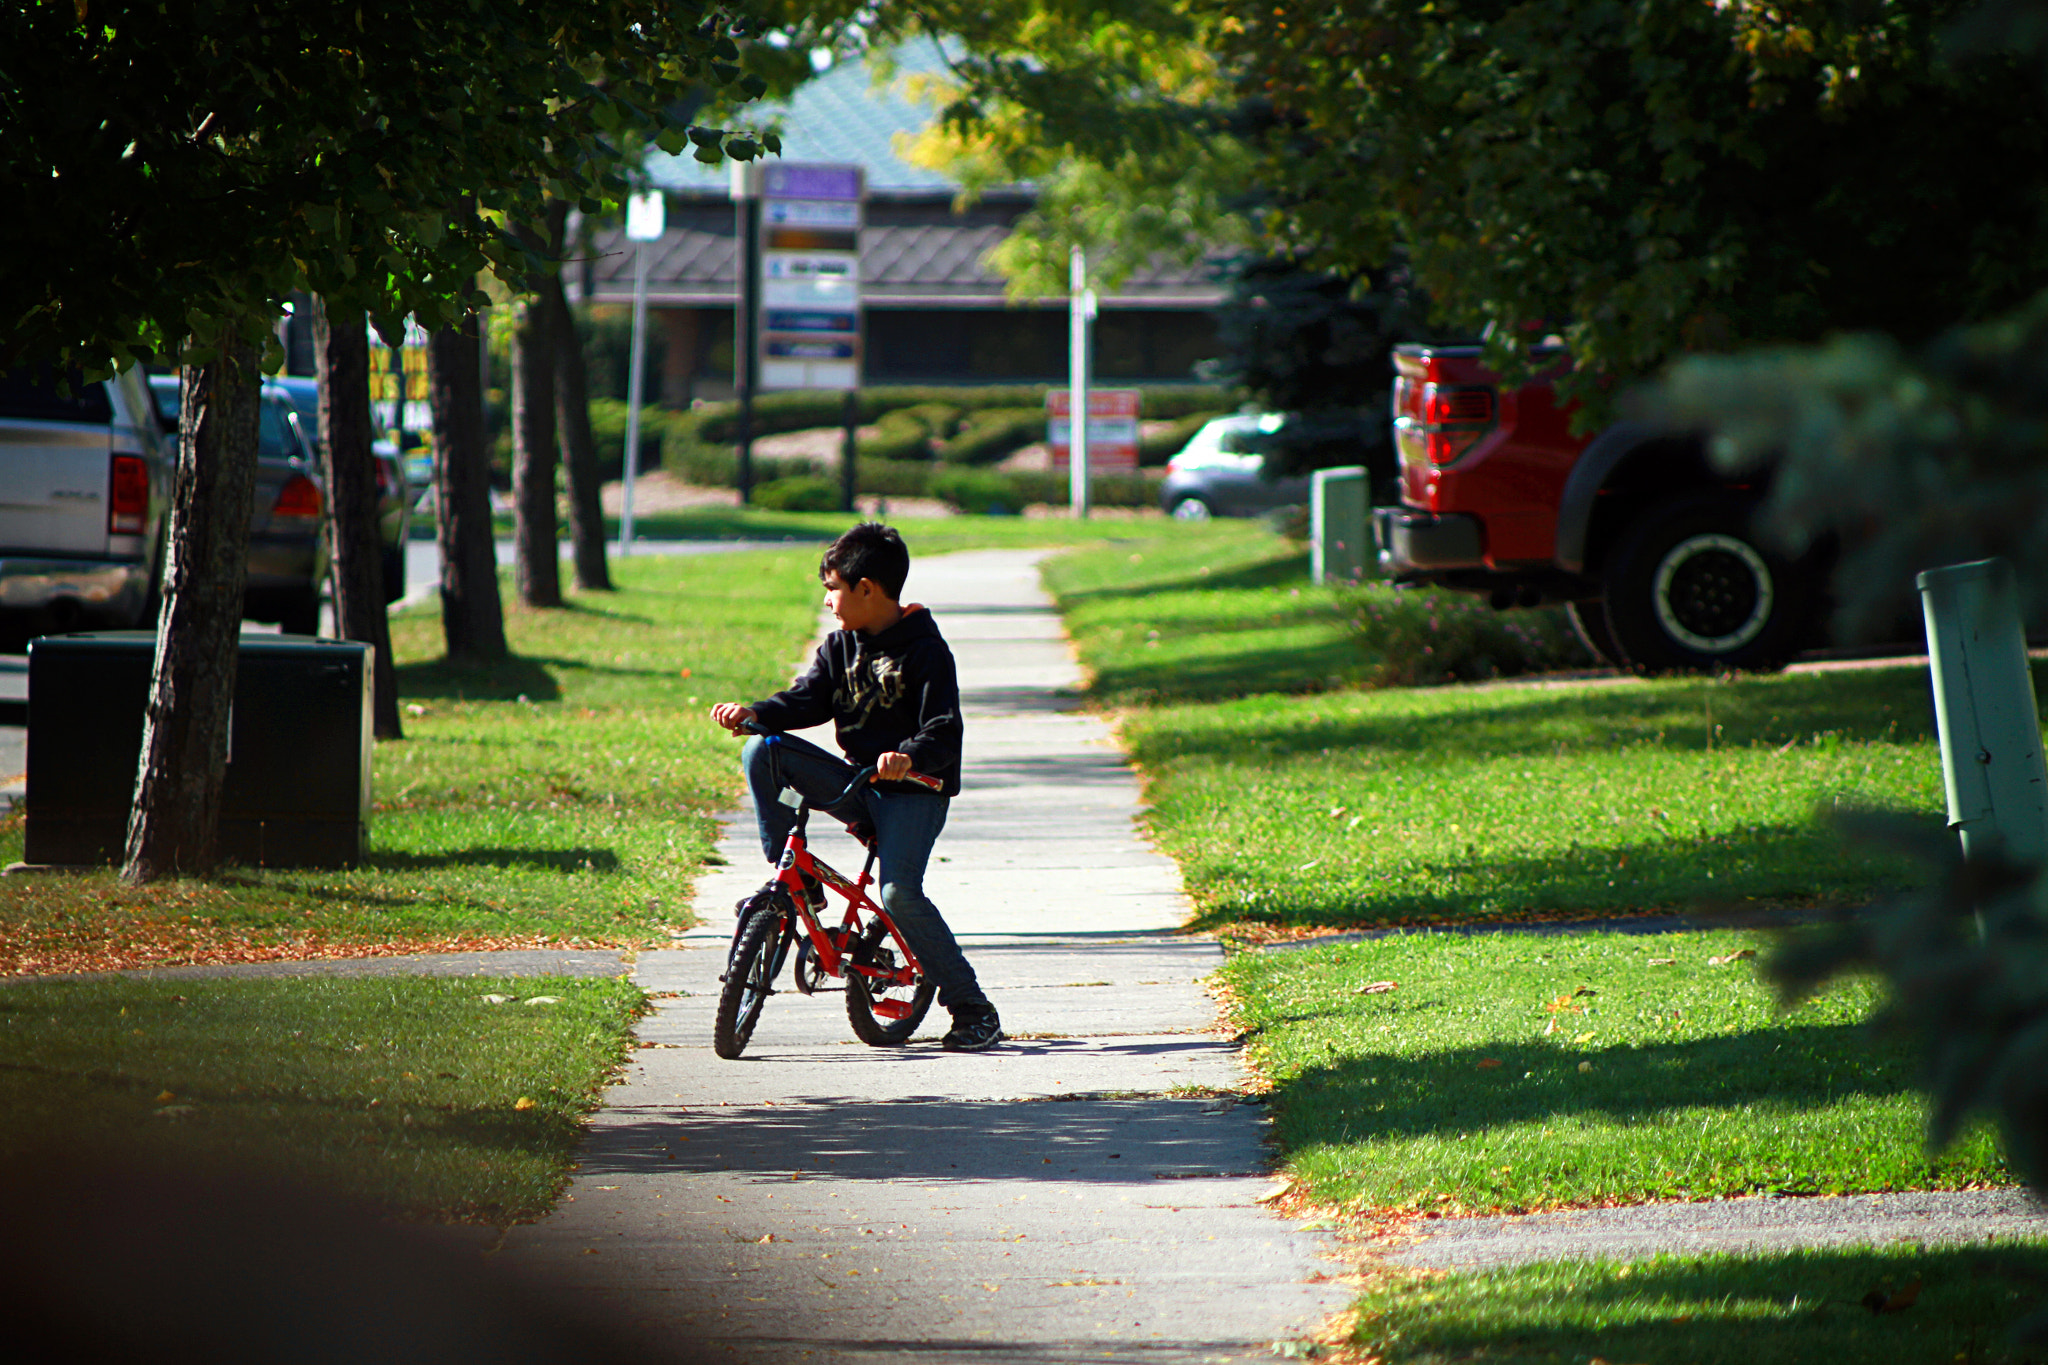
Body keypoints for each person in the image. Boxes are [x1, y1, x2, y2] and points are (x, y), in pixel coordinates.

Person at [709, 522, 1002, 1052]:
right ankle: (793, 880)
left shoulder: (926, 651)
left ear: (866, 588)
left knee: (897, 894)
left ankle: (974, 1009)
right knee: (764, 749)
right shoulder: (839, 647)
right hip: (858, 786)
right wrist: (755, 713)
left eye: (832, 589)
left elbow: (944, 730)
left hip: (914, 791)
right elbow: (804, 702)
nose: (827, 601)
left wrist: (905, 756)